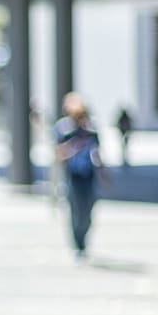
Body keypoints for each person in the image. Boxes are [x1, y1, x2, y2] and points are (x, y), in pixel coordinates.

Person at [55, 92, 106, 262]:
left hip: (89, 176)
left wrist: (104, 174)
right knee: (75, 211)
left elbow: (97, 153)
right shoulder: (63, 129)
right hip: (72, 176)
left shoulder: (92, 130)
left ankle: (83, 240)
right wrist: (73, 146)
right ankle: (78, 245)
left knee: (88, 211)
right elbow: (58, 153)